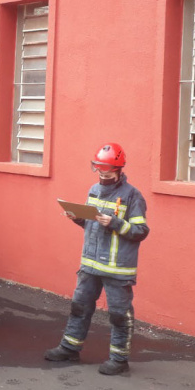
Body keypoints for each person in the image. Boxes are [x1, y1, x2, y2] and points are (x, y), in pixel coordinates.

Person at [44, 143, 150, 376]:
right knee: (79, 307)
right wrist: (77, 217)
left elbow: (141, 231)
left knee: (119, 315)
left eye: (106, 169)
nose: (101, 173)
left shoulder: (133, 196)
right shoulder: (94, 190)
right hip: (90, 264)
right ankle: (70, 348)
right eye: (98, 168)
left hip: (117, 269)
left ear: (118, 169)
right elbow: (91, 224)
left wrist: (114, 222)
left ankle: (119, 360)